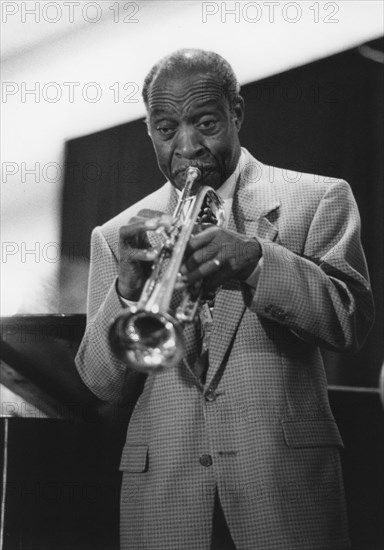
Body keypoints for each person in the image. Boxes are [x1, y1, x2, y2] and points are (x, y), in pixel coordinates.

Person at [75, 49, 374, 550]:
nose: (187, 146)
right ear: (149, 130)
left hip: (284, 494)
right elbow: (100, 382)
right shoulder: (115, 236)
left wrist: (258, 259)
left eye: (206, 122)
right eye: (166, 129)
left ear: (236, 112)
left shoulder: (319, 197)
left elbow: (350, 322)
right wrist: (127, 292)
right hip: (164, 502)